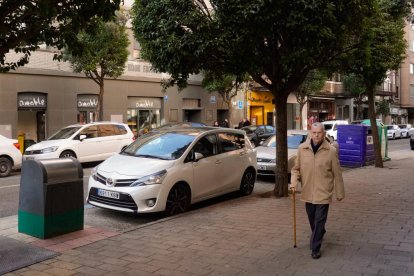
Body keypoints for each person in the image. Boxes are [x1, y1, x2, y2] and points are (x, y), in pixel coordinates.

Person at [290, 122, 345, 260]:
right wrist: (293, 182)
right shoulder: (302, 149)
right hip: (307, 191)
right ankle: (319, 232)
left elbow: (337, 173)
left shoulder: (331, 151)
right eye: (314, 132)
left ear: (324, 134)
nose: (316, 135)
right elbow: (296, 169)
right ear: (310, 133)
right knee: (312, 219)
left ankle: (315, 247)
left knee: (320, 219)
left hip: (324, 191)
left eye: (319, 132)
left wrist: (339, 192)